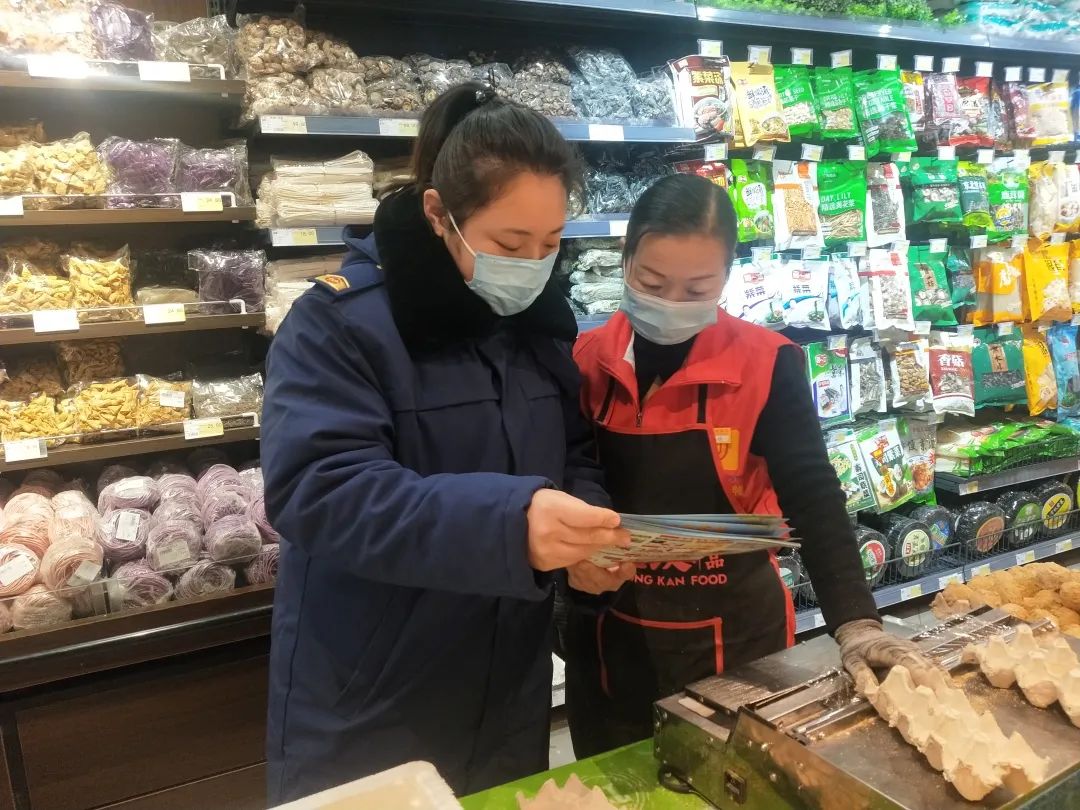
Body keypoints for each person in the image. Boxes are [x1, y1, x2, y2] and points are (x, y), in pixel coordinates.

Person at [260, 82, 634, 803]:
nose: (532, 265)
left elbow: (571, 451)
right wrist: (511, 524)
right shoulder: (337, 326)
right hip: (373, 695)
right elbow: (320, 490)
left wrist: (587, 535)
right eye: (510, 245)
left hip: (508, 690)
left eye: (551, 244)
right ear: (438, 215)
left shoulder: (536, 329)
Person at [565, 173, 939, 757]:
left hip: (735, 634)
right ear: (625, 258)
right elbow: (564, 478)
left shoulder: (766, 363)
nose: (671, 303)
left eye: (697, 288)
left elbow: (811, 493)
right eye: (651, 282)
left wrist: (856, 622)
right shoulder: (585, 360)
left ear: (727, 276)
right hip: (612, 628)